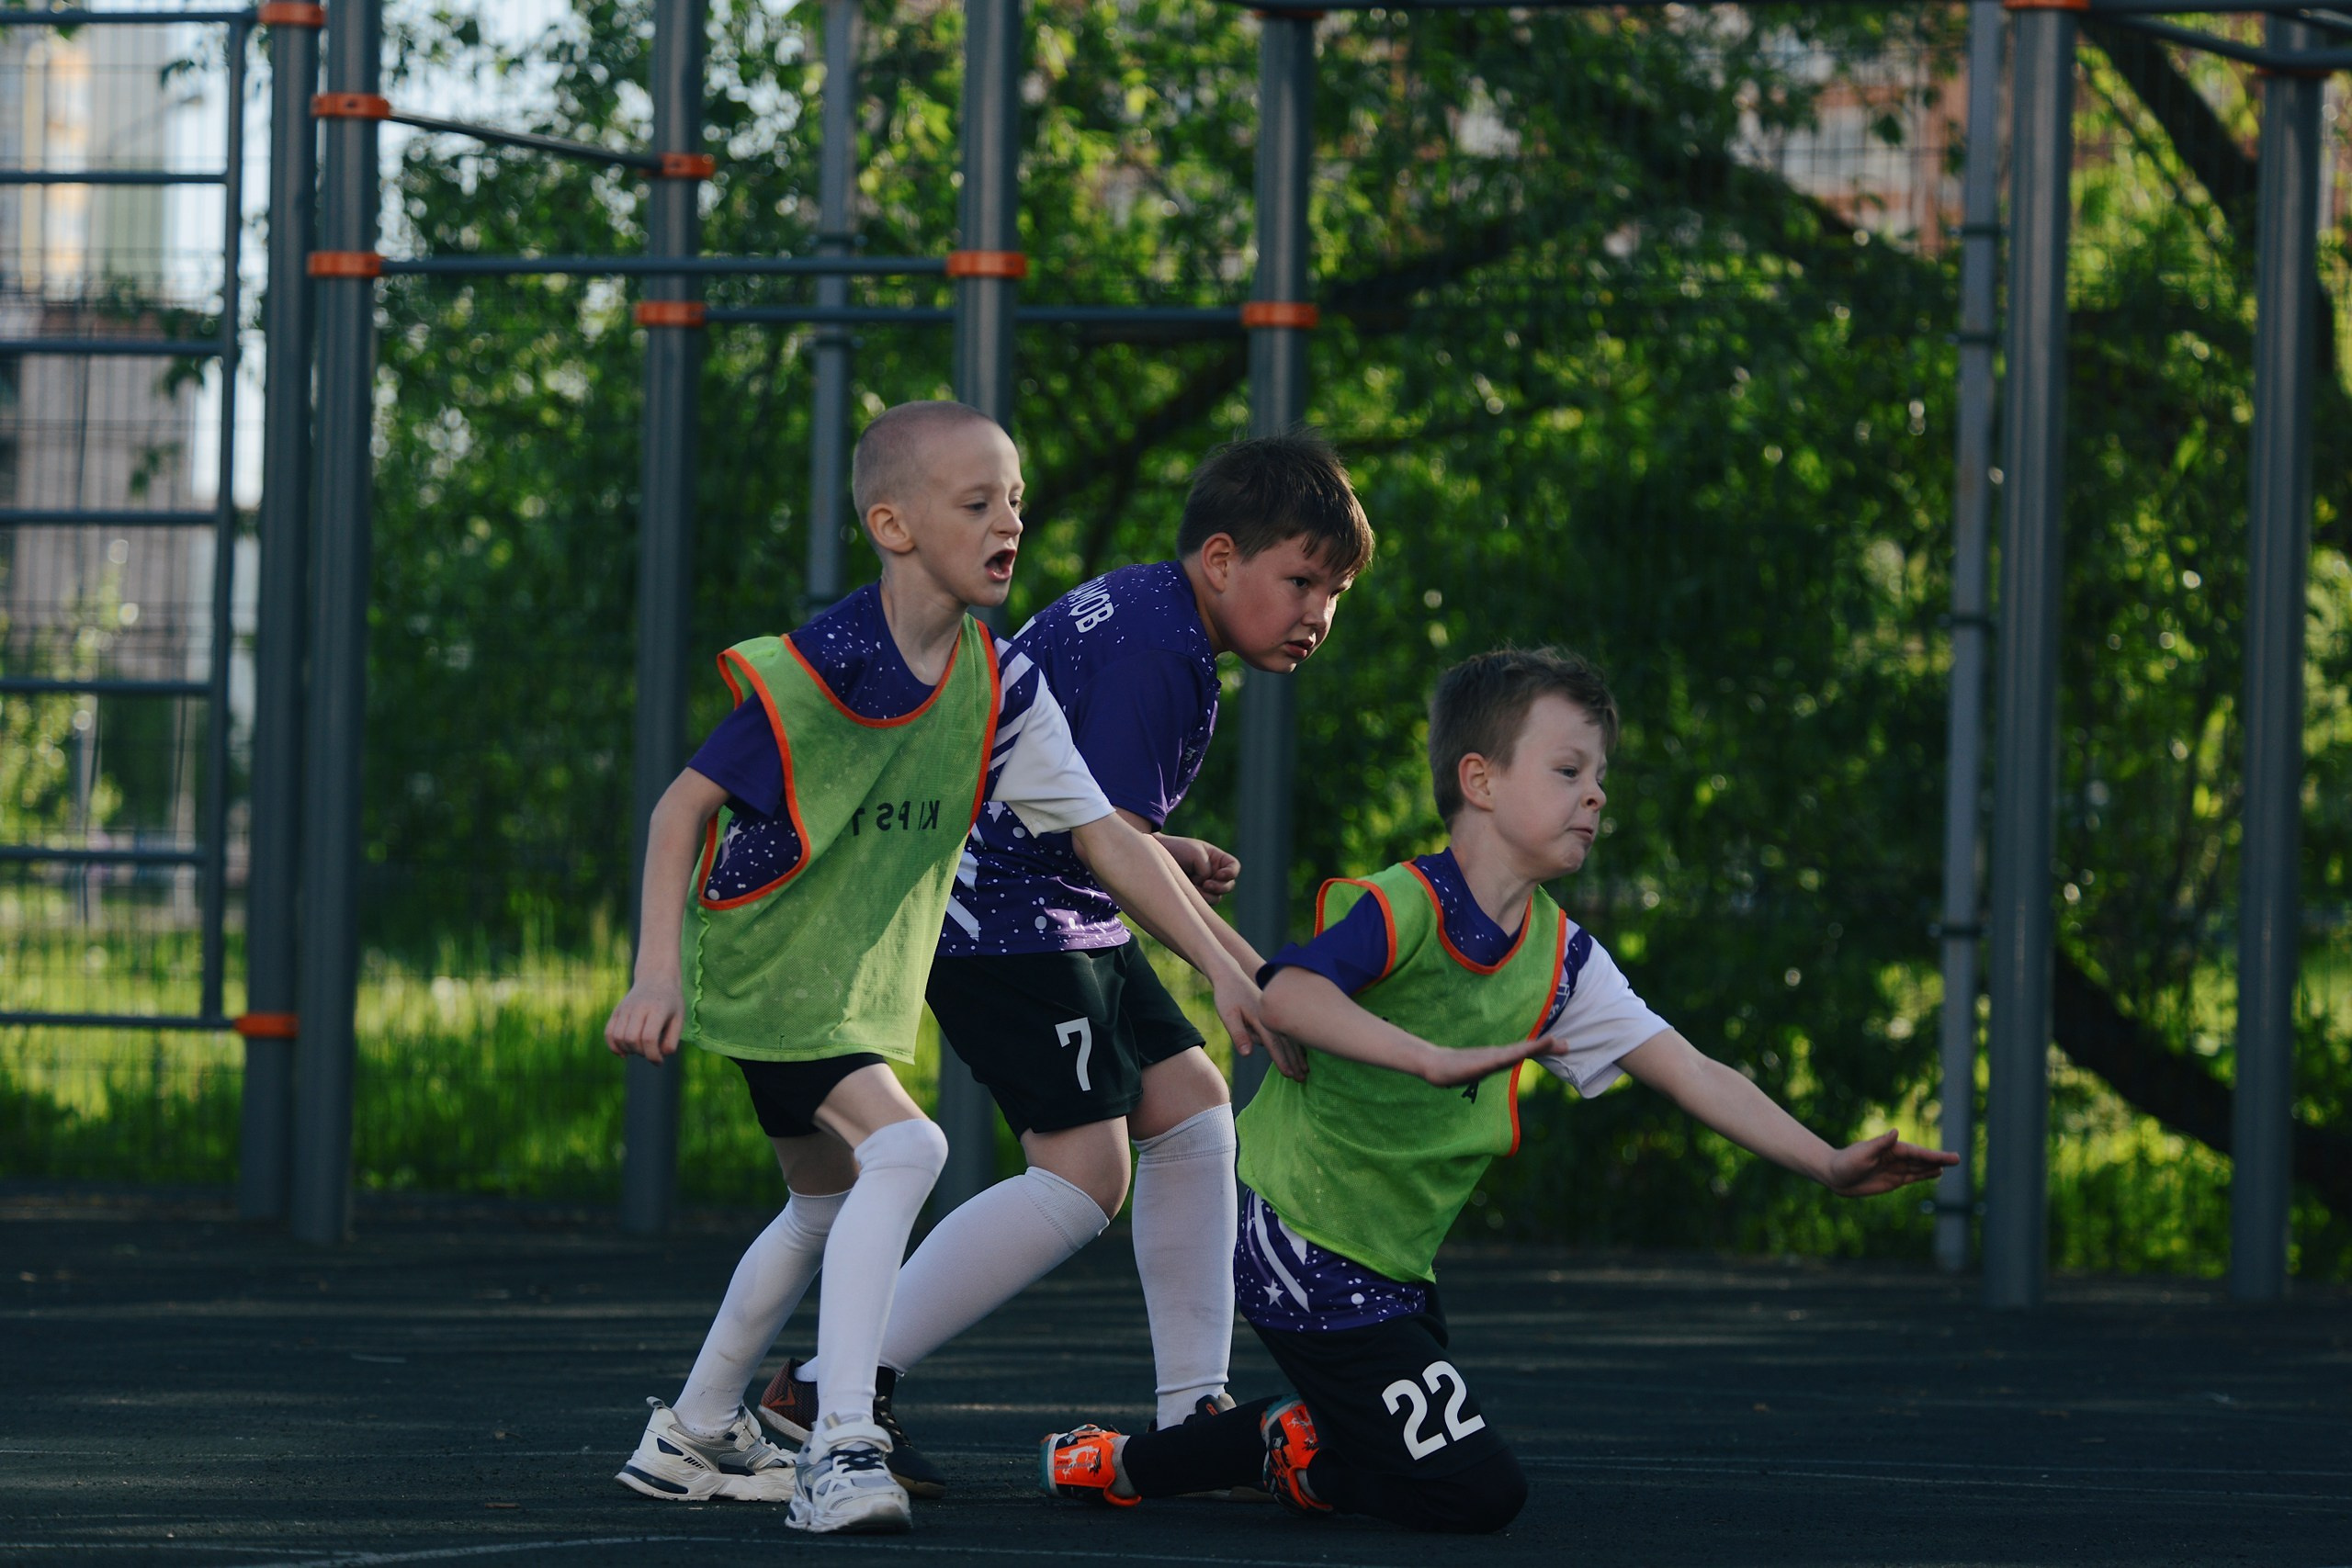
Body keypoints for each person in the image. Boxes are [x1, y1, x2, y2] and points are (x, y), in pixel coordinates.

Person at [1038, 647, 1957, 1533]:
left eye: (1599, 775)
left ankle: (1208, 1456)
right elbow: (1288, 993)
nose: (1595, 793)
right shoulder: (1404, 905)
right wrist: (1425, 1058)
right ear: (1478, 781)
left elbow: (1689, 1069)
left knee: (1383, 1441)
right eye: (1566, 770)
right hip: (1302, 1239)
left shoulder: (1562, 959)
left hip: (1393, 1262)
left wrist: (1828, 1163)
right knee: (1479, 1497)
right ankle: (1225, 1456)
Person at [604, 400, 1275, 1535]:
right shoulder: (832, 665)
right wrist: (655, 973)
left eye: (1014, 499)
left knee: (817, 1210)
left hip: (846, 989)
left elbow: (1107, 837)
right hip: (772, 971)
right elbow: (683, 805)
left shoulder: (997, 684)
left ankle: (697, 1427)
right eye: (977, 503)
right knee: (909, 1149)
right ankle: (841, 1438)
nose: (1008, 520)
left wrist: (1222, 962)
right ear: (893, 525)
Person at [763, 434, 1373, 1498]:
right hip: (998, 919)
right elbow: (1112, 846)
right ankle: (822, 1386)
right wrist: (1233, 970)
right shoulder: (1163, 657)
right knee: (1087, 1173)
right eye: (1303, 579)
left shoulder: (1148, 606)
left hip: (1050, 903)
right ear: (1223, 561)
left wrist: (1185, 881)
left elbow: (1083, 808)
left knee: (1191, 1112)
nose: (1320, 610)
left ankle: (1194, 1411)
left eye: (1337, 589)